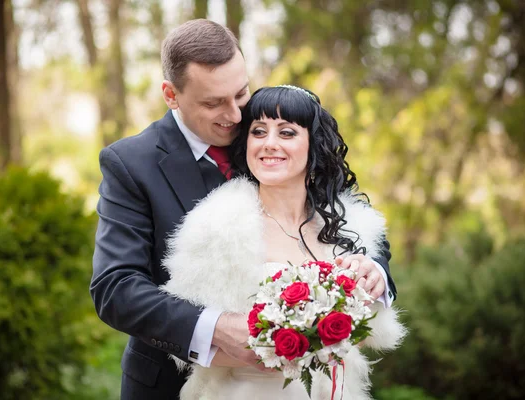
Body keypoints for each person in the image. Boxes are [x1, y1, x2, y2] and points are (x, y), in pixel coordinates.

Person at [91, 19, 396, 400]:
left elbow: (347, 218)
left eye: (240, 93)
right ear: (171, 94)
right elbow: (116, 287)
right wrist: (214, 327)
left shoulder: (266, 130)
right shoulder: (131, 163)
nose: (236, 115)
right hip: (175, 384)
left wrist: (375, 274)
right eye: (213, 102)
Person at [161, 85, 406, 399]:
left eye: (287, 133)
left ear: (313, 146)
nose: (270, 144)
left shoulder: (351, 228)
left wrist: (362, 292)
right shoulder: (215, 227)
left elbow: (366, 335)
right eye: (259, 131)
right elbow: (190, 340)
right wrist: (277, 345)